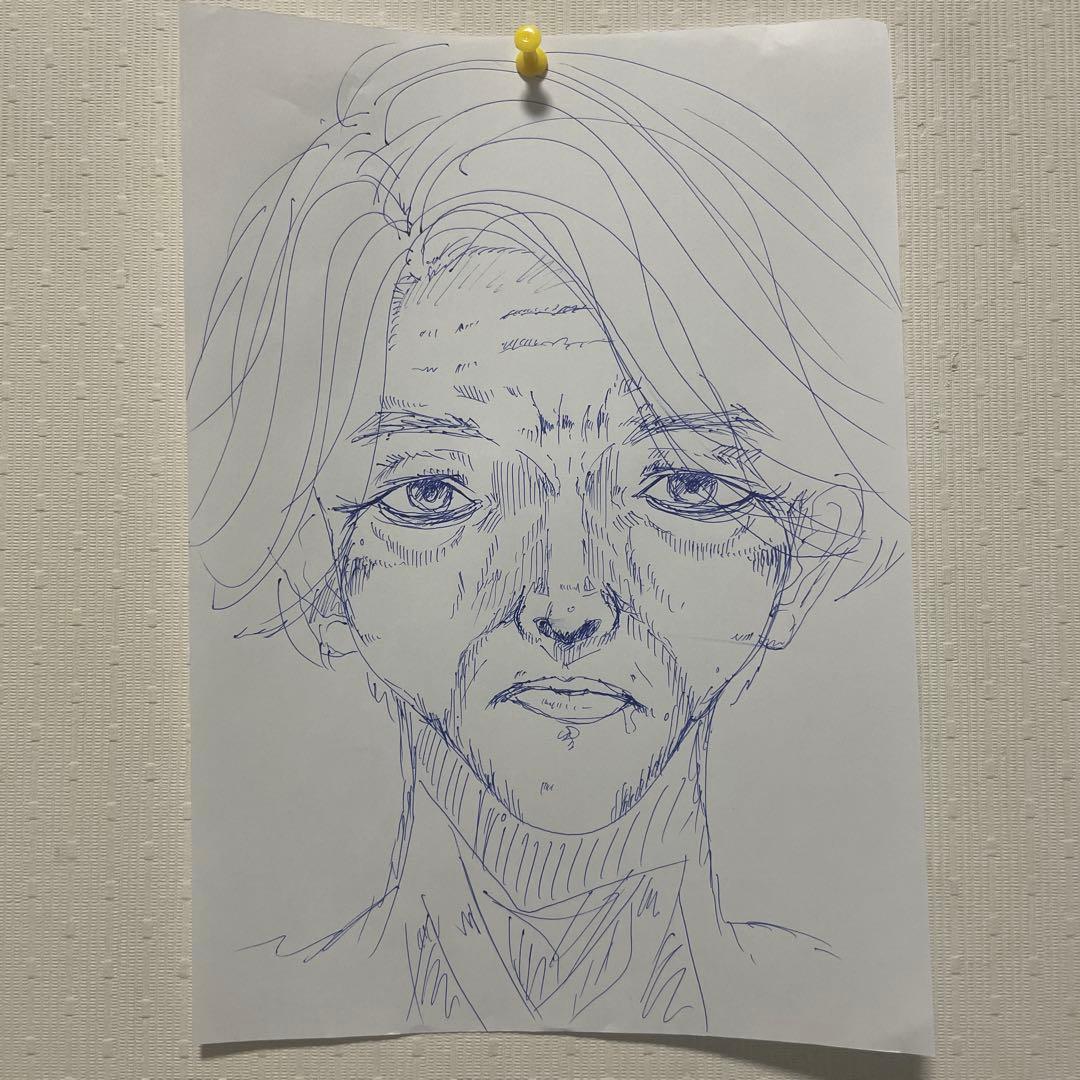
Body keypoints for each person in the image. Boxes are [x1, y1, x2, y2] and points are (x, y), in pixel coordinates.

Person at [189, 43, 904, 1032]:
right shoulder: (267, 990)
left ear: (801, 552)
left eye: (685, 487)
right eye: (433, 492)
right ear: (320, 570)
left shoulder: (847, 992)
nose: (566, 602)